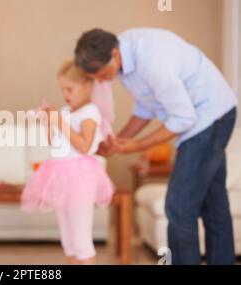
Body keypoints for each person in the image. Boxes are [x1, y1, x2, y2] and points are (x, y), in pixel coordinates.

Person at [75, 28, 238, 265]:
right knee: (214, 205)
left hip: (211, 116)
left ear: (115, 54)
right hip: (205, 117)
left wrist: (137, 145)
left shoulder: (153, 60)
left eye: (102, 73)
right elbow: (146, 107)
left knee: (178, 206)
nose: (100, 80)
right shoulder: (123, 63)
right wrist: (117, 142)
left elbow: (183, 118)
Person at [21, 59, 114, 265]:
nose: (66, 95)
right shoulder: (65, 110)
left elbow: (84, 146)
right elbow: (55, 143)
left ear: (87, 86)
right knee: (69, 240)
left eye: (70, 89)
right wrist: (47, 121)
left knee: (81, 238)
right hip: (60, 175)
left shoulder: (90, 112)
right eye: (63, 89)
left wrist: (59, 121)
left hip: (81, 177)